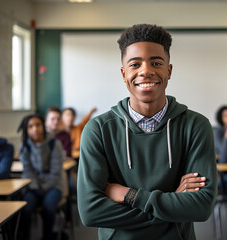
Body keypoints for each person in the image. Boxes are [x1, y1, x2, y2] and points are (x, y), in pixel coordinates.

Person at [77, 24, 217, 240]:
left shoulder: (196, 126)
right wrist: (172, 204)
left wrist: (128, 195)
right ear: (124, 74)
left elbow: (201, 207)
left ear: (168, 71)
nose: (145, 71)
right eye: (135, 64)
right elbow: (90, 212)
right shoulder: (98, 130)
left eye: (156, 62)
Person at [18, 114, 64, 240]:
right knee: (25, 208)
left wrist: (44, 187)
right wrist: (36, 187)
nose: (35, 129)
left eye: (37, 125)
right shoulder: (25, 145)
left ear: (43, 126)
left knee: (48, 207)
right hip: (33, 187)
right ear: (26, 130)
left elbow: (56, 172)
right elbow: (27, 171)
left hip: (53, 186)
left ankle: (47, 237)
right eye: (30, 126)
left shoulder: (55, 144)